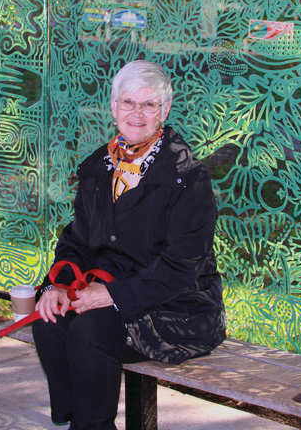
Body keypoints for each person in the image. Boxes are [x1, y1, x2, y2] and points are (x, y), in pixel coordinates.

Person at [33, 60, 226, 430]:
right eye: (128, 102)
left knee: (89, 331)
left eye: (149, 104)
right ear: (113, 106)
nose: (137, 113)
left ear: (164, 111)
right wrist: (58, 286)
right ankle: (81, 419)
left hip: (179, 308)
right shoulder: (98, 168)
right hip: (112, 291)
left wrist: (113, 295)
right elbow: (76, 241)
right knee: (51, 321)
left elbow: (184, 263)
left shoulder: (188, 176)